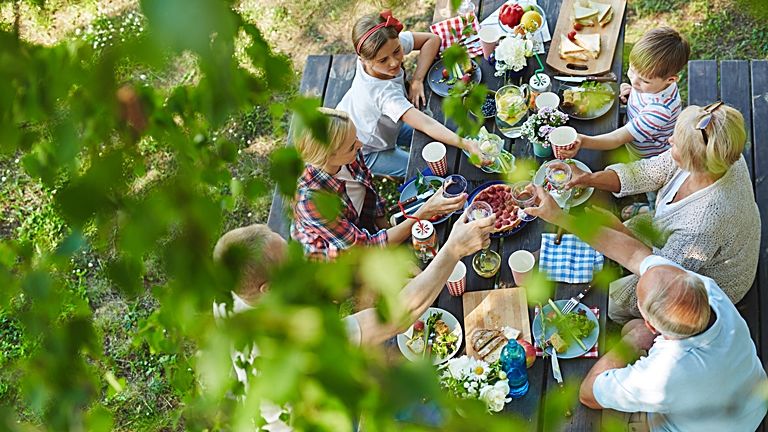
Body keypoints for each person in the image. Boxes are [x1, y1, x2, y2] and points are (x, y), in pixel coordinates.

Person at [527, 186, 768, 432]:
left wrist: (631, 343)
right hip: (751, 399)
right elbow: (634, 254)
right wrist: (559, 217)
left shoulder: (663, 374)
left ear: (652, 325)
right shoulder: (706, 290)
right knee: (631, 327)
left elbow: (588, 393)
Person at [562, 103, 759, 322]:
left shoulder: (703, 225)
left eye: (677, 143)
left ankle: (635, 325)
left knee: (612, 301)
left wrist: (618, 228)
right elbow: (647, 172)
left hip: (707, 285)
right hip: (679, 246)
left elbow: (664, 276)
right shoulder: (720, 151)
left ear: (692, 160)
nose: (669, 141)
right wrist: (589, 179)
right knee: (628, 231)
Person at [291, 108, 466, 260]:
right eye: (352, 146)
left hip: (360, 227)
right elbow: (363, 250)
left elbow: (370, 195)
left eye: (356, 138)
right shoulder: (311, 202)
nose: (360, 146)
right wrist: (425, 212)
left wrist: (389, 233)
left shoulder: (349, 154)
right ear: (327, 157)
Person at [558, 27, 689, 216]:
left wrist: (583, 140)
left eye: (643, 80)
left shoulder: (660, 112)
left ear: (670, 80)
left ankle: (649, 209)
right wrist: (631, 92)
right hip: (638, 142)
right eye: (631, 70)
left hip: (650, 159)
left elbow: (618, 138)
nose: (634, 80)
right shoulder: (652, 86)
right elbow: (639, 88)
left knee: (653, 190)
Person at [336, 10, 481, 177]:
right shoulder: (384, 95)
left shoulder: (385, 45)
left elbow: (431, 40)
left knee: (442, 133)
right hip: (366, 149)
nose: (394, 61)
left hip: (379, 122)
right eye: (383, 60)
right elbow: (428, 125)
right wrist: (467, 144)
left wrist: (418, 79)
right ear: (363, 60)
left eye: (397, 51)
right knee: (424, 172)